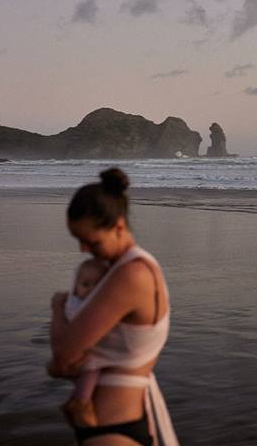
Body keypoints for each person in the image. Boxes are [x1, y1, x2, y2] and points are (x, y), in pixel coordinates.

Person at [48, 168, 179, 446]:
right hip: (115, 422)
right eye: (79, 241)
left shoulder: (132, 275)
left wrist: (57, 307)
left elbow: (62, 358)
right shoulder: (117, 270)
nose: (83, 249)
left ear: (119, 227)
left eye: (92, 242)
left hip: (114, 429)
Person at [60, 257, 110, 427]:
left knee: (89, 372)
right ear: (76, 288)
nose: (89, 290)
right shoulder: (77, 305)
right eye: (85, 285)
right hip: (83, 349)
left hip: (80, 347)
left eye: (95, 285)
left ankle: (77, 399)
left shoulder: (83, 304)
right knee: (92, 368)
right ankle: (80, 402)